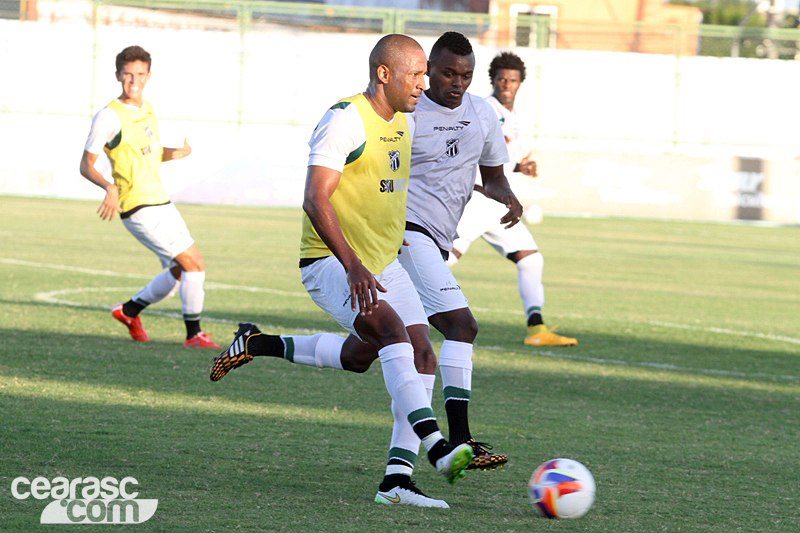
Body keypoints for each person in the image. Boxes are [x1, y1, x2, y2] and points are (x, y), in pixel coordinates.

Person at [211, 31, 516, 508]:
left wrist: (494, 187)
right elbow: (315, 197)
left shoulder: (405, 121)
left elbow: (442, 171)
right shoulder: (345, 120)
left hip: (382, 263)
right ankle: (439, 449)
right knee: (394, 335)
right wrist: (352, 266)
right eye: (416, 75)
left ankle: (395, 481)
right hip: (332, 262)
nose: (424, 85)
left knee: (406, 357)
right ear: (384, 74)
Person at [79, 45, 219, 349]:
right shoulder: (108, 116)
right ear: (118, 75)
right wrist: (109, 188)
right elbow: (85, 166)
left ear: (148, 76)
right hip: (139, 206)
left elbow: (150, 155)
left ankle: (129, 312)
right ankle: (194, 335)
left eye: (140, 74)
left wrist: (175, 153)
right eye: (128, 74)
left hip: (160, 200)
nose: (134, 80)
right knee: (194, 263)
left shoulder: (148, 109)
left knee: (180, 269)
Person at [447, 52, 577, 347]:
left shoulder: (513, 116)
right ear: (493, 80)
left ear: (520, 84)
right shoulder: (484, 111)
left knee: (531, 260)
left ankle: (536, 329)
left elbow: (506, 157)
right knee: (441, 260)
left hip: (499, 206)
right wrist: (517, 166)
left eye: (513, 80)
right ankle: (386, 302)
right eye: (502, 79)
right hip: (477, 202)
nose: (507, 85)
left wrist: (521, 166)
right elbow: (477, 158)